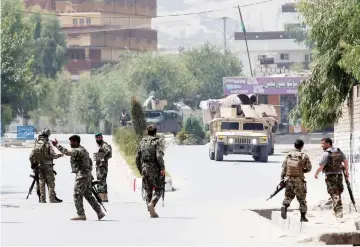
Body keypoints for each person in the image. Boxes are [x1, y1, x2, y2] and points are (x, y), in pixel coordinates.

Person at [52, 135, 105, 221]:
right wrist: (89, 174)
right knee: (88, 195)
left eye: (71, 142)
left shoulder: (78, 151)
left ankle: (81, 214)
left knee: (77, 194)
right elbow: (90, 163)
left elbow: (67, 152)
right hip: (86, 175)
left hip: (81, 176)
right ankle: (99, 212)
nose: (70, 144)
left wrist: (57, 145)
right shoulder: (84, 150)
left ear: (76, 142)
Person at [314, 137, 349, 218]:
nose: (321, 145)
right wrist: (347, 173)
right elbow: (346, 162)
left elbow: (321, 166)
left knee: (333, 193)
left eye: (323, 143)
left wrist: (316, 174)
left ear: (328, 144)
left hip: (330, 176)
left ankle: (339, 211)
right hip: (339, 175)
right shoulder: (339, 151)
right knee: (338, 192)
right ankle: (336, 210)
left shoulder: (326, 153)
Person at [136, 125, 166, 218]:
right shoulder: (156, 141)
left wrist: (140, 169)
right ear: (155, 132)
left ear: (147, 132)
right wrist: (162, 168)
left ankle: (150, 210)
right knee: (159, 188)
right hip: (154, 168)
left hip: (144, 167)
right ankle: (152, 203)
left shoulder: (142, 142)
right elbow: (159, 156)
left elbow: (137, 157)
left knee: (148, 189)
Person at [280, 139, 312, 222]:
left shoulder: (289, 155)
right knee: (302, 199)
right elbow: (309, 168)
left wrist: (282, 179)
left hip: (288, 179)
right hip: (299, 180)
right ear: (302, 146)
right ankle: (303, 217)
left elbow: (284, 168)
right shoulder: (304, 156)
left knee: (289, 195)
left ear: (294, 146)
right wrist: (303, 170)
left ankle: (285, 205)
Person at [29, 128, 63, 203]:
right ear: (48, 135)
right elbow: (53, 155)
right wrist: (60, 155)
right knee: (51, 183)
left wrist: (33, 165)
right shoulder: (47, 144)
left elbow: (31, 156)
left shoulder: (37, 143)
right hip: (48, 166)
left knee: (41, 183)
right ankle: (52, 199)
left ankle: (42, 199)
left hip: (39, 166)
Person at [94, 132, 112, 202]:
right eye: (97, 137)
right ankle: (104, 197)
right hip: (100, 166)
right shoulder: (100, 145)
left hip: (102, 166)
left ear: (102, 138)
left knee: (101, 181)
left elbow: (108, 150)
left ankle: (102, 197)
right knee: (102, 181)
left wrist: (103, 158)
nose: (98, 139)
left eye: (99, 137)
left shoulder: (104, 144)